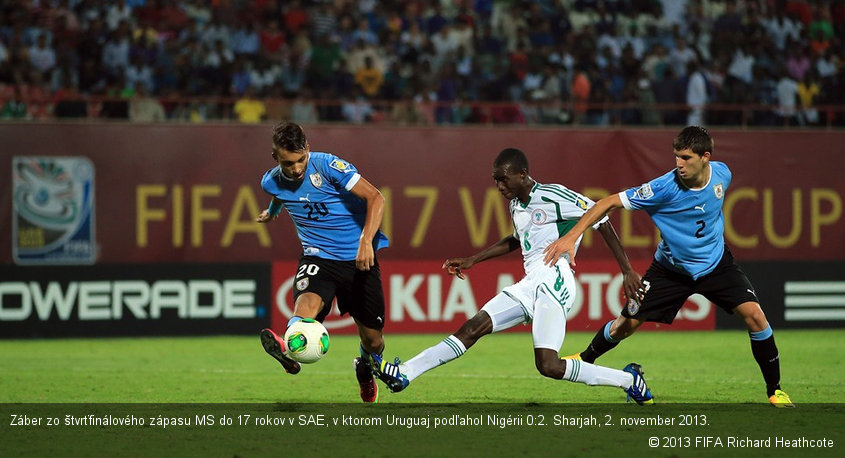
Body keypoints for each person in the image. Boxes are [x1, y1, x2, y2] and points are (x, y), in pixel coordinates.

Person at [374, 148, 654, 405]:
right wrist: (474, 259)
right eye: (496, 181)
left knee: (549, 365)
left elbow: (600, 217)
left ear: (522, 174)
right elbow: (517, 239)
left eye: (504, 180)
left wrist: (626, 269)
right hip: (531, 282)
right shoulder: (516, 205)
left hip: (555, 278)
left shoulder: (552, 195)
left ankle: (629, 380)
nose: (499, 187)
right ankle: (405, 373)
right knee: (473, 327)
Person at [543, 126, 794, 408]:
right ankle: (586, 358)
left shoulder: (723, 174)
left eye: (686, 158)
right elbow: (607, 203)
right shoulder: (662, 188)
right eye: (676, 156)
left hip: (716, 264)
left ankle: (775, 390)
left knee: (756, 317)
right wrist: (571, 237)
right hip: (670, 271)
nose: (679, 163)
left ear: (705, 157)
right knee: (625, 326)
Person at [255, 121, 391, 403]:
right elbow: (279, 195)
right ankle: (289, 347)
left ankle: (364, 370)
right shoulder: (270, 182)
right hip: (317, 257)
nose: (295, 169)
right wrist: (272, 212)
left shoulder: (328, 166)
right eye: (288, 163)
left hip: (358, 260)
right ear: (275, 158)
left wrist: (366, 241)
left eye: (300, 159)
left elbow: (376, 198)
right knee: (306, 305)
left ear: (308, 149)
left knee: (374, 341)